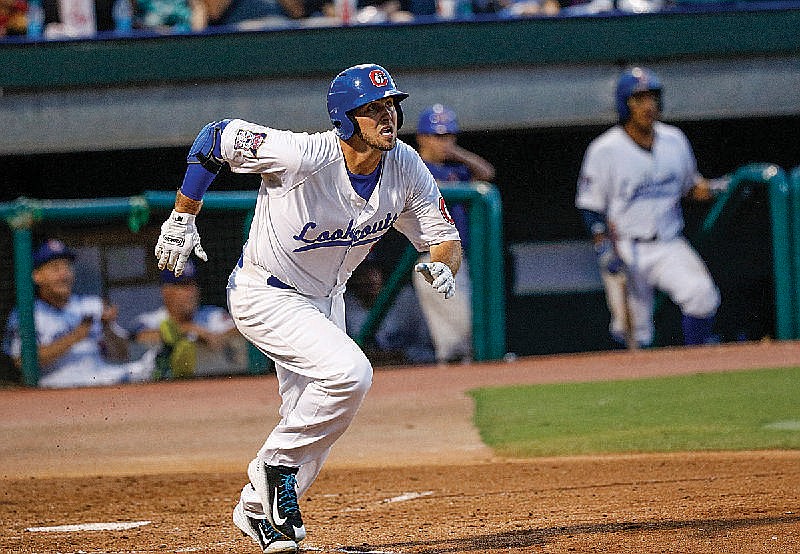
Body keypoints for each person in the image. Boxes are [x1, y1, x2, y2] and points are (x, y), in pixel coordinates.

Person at [153, 63, 461, 553]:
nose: (388, 118)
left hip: (325, 300)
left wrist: (444, 265)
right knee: (351, 375)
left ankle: (258, 511)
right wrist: (183, 213)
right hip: (265, 293)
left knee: (320, 414)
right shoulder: (303, 153)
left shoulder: (405, 165)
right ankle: (272, 468)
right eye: (373, 109)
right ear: (344, 117)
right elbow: (214, 137)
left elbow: (443, 235)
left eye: (391, 107)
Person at [575, 66, 721, 349]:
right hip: (627, 248)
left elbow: (691, 186)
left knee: (702, 296)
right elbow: (590, 207)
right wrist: (603, 247)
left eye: (652, 98)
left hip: (668, 243)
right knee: (633, 331)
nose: (648, 106)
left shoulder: (674, 140)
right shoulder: (605, 149)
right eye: (638, 99)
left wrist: (714, 188)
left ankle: (700, 367)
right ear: (624, 104)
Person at [2, 239, 156, 388]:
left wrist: (107, 328)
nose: (64, 275)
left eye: (67, 267)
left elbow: (121, 354)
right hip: (58, 384)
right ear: (37, 276)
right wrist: (75, 337)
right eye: (55, 268)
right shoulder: (26, 313)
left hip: (103, 376)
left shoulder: (91, 305)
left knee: (148, 367)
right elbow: (21, 362)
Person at [413, 103, 495, 363]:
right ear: (422, 137)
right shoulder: (413, 167)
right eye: (438, 136)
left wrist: (455, 152)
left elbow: (487, 174)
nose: (444, 142)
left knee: (461, 341)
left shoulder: (456, 169)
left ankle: (458, 388)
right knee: (464, 330)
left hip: (461, 259)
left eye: (449, 135)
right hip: (431, 258)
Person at [131, 258, 247, 379]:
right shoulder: (149, 320)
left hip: (212, 385)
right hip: (159, 388)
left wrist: (213, 336)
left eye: (193, 284)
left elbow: (243, 328)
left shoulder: (212, 315)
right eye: (183, 285)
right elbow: (137, 337)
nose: (191, 291)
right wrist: (185, 330)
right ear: (166, 290)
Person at [344, 258, 435, 366]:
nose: (369, 278)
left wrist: (400, 355)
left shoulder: (406, 298)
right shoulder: (342, 303)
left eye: (373, 270)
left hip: (410, 369)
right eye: (361, 272)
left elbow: (430, 350)